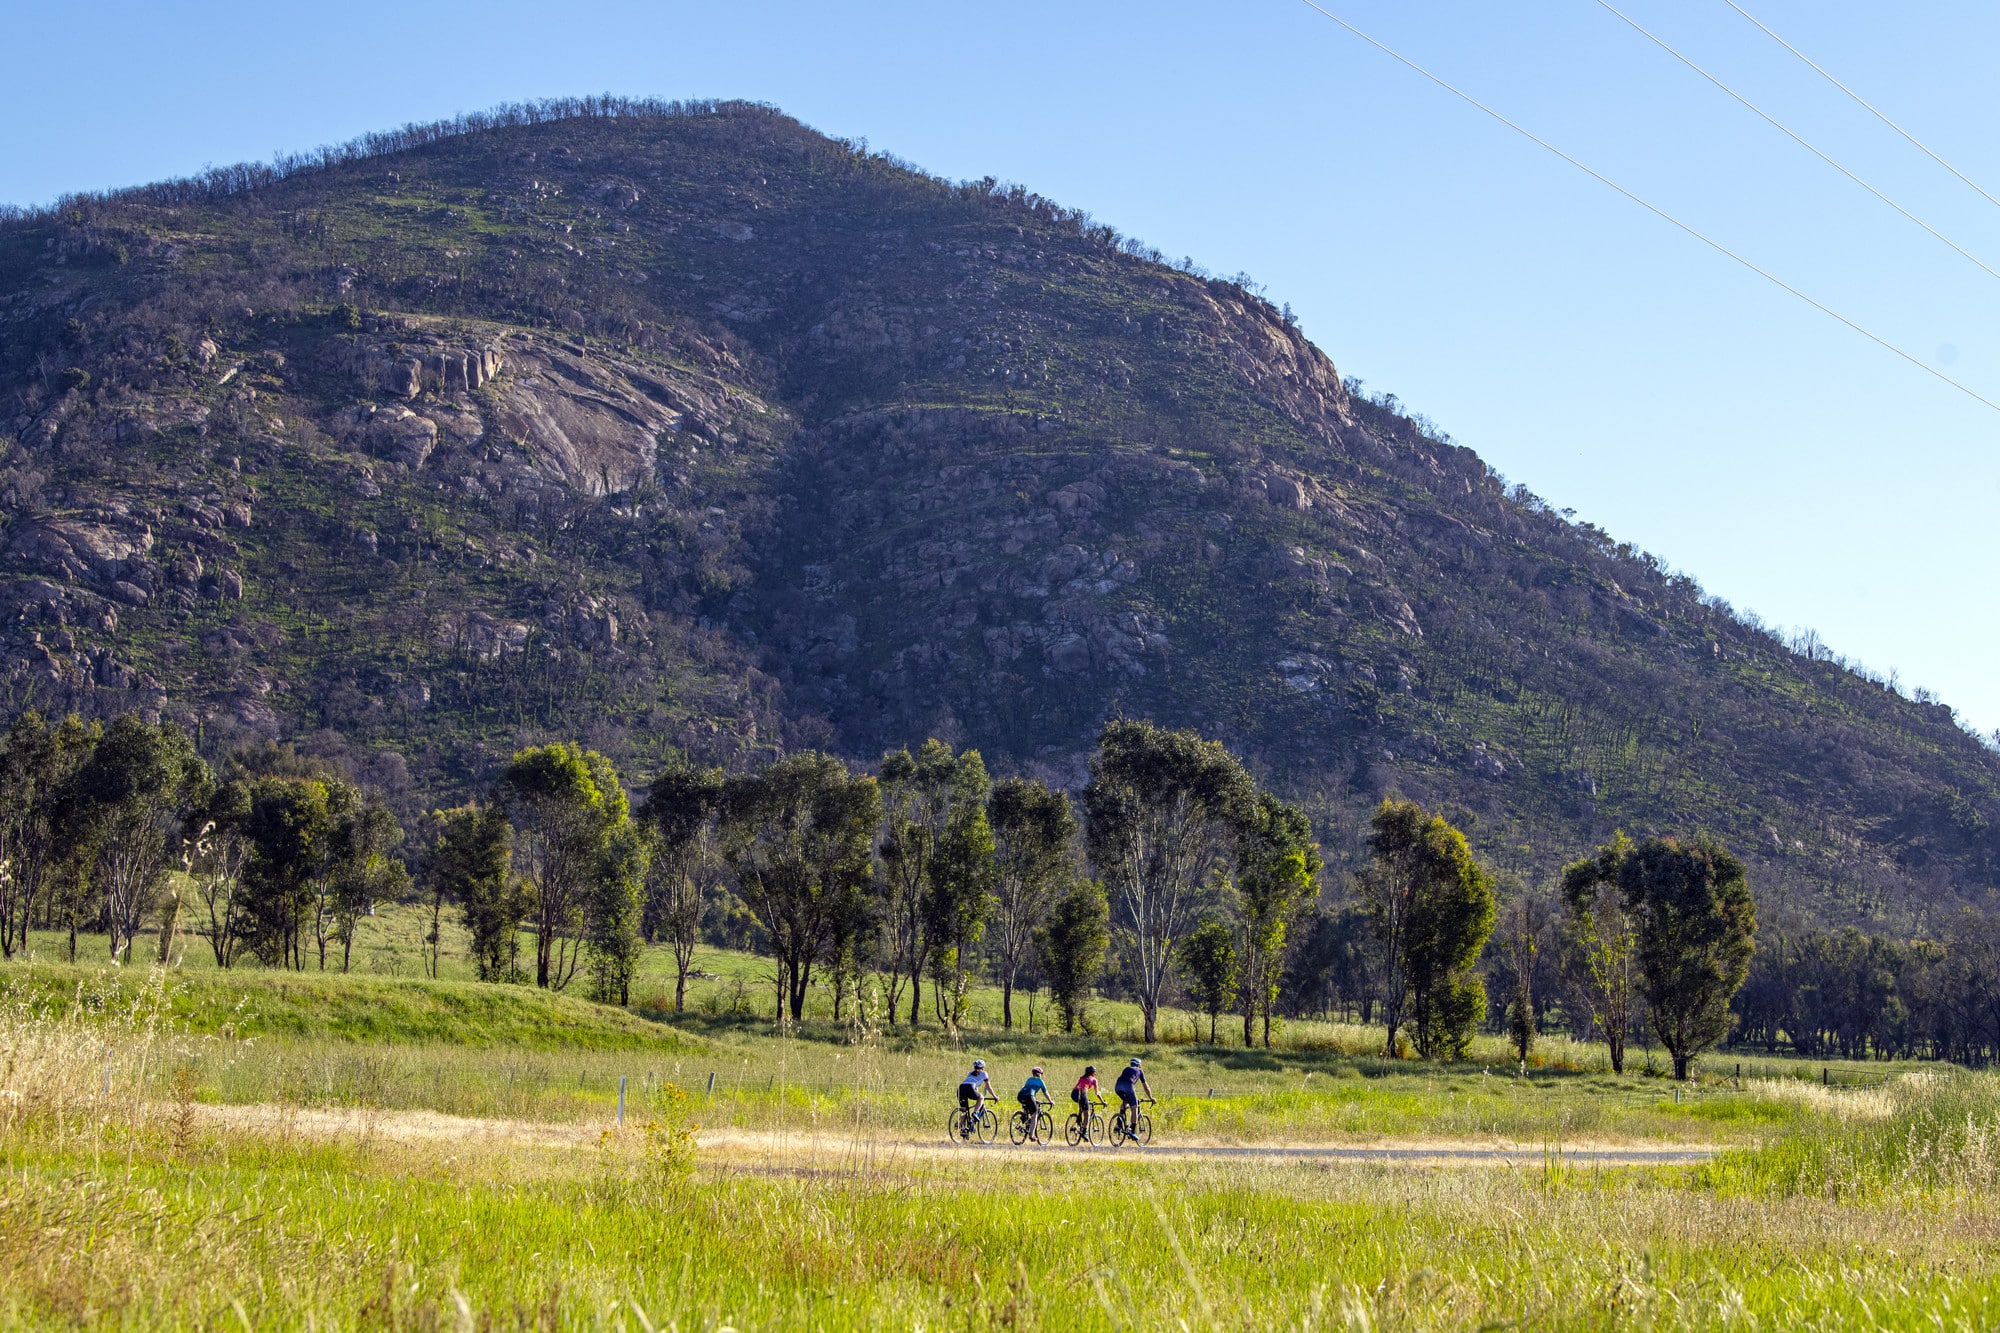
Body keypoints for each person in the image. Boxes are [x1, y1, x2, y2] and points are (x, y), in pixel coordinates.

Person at [1114, 1057, 1152, 1137]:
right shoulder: (1140, 1071)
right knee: (1134, 1107)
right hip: (1128, 1086)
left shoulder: (1126, 1068)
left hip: (1118, 1086)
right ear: (1138, 1065)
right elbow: (1146, 1087)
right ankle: (1132, 1130)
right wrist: (1151, 1098)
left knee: (1125, 1102)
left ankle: (1119, 1123)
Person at [956, 1058, 994, 1136]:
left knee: (965, 1110)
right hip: (970, 1087)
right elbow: (988, 1087)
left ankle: (961, 1126)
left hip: (960, 1088)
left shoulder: (970, 1073)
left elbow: (973, 1086)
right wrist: (995, 1096)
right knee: (981, 1098)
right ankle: (975, 1113)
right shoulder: (984, 1073)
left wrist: (977, 1092)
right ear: (983, 1068)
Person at [1017, 1066, 1052, 1142]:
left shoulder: (1028, 1080)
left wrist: (1034, 1100)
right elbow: (1045, 1092)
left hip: (1020, 1095)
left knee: (1027, 1107)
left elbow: (1028, 1090)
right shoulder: (1040, 1081)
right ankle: (1031, 1135)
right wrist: (1050, 1101)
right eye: (1041, 1074)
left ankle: (1024, 1117)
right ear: (1038, 1074)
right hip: (1029, 1096)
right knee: (1035, 1114)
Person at [1071, 1064, 1103, 1131]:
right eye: (1094, 1073)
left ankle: (1078, 1120)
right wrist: (1103, 1102)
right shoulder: (1094, 1079)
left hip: (1074, 1093)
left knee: (1082, 1106)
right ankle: (1084, 1131)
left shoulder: (1082, 1078)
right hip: (1082, 1093)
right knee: (1087, 1114)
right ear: (1093, 1073)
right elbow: (1097, 1093)